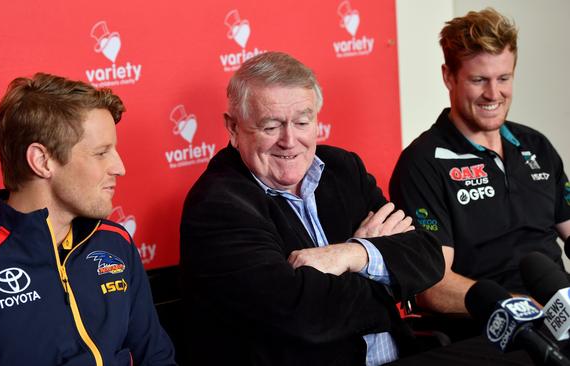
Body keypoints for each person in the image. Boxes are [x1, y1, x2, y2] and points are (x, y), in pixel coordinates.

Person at [180, 51, 444, 365]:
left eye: (302, 122)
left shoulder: (343, 168)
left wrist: (350, 254)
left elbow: (427, 257)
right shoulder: (218, 205)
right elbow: (303, 316)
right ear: (234, 128)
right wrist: (390, 282)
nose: (289, 140)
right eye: (270, 127)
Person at [0, 73, 175, 366]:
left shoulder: (114, 242)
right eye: (101, 152)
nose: (120, 167)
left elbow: (156, 358)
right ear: (42, 161)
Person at [390, 8, 570, 317]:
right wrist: (526, 309)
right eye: (478, 80)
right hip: (489, 331)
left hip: (561, 312)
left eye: (503, 78)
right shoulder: (422, 163)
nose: (493, 93)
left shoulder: (535, 145)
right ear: (448, 77)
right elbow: (433, 287)